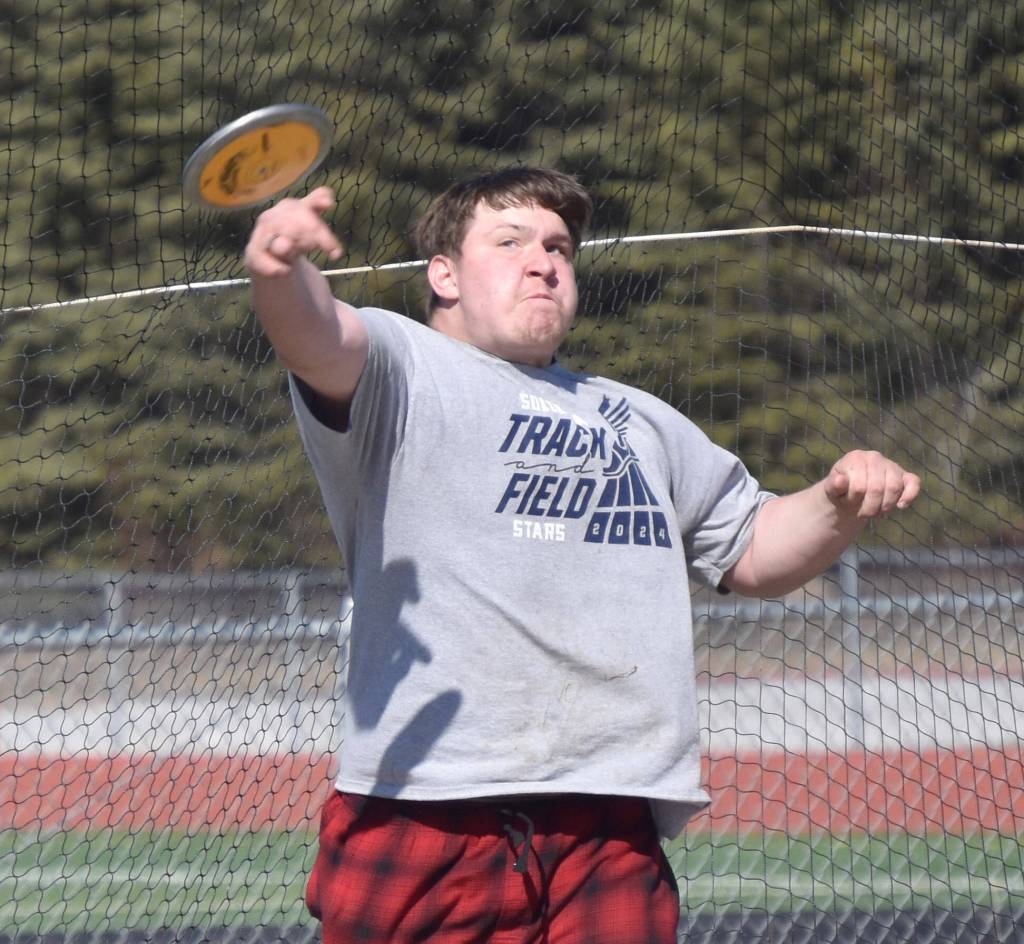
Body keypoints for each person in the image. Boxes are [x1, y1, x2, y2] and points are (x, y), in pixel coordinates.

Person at [243, 167, 920, 944]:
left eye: (560, 246)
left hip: (610, 814)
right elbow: (316, 335)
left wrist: (835, 500)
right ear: (444, 274)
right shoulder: (405, 366)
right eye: (510, 241)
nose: (544, 261)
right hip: (428, 805)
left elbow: (756, 550)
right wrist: (277, 269)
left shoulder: (642, 420)